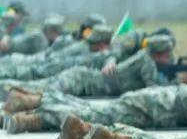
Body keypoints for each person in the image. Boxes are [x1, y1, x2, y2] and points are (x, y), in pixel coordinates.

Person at [3, 43, 187, 134]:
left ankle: (34, 106)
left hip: (161, 104)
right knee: (95, 115)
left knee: (94, 112)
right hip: (159, 108)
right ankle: (39, 104)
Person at [3, 33, 175, 111]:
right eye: (167, 55)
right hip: (82, 80)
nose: (169, 58)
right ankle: (4, 88)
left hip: (83, 79)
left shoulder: (144, 58)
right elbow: (153, 90)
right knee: (37, 89)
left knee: (36, 88)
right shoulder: (146, 61)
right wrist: (178, 83)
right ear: (159, 54)